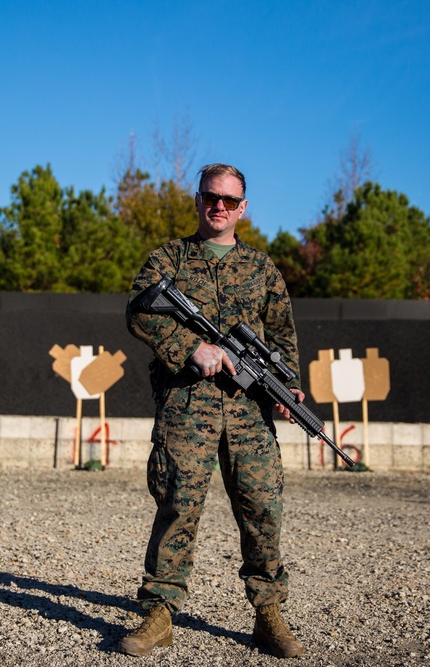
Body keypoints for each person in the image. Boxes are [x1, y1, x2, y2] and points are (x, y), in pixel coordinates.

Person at [120, 163, 306, 659]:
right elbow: (139, 310)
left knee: (263, 509)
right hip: (187, 406)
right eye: (210, 197)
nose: (218, 206)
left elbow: (283, 336)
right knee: (179, 505)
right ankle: (159, 614)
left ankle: (268, 614)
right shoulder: (170, 257)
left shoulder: (264, 269)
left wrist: (287, 389)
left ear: (243, 208)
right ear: (198, 201)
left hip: (249, 413)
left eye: (228, 199)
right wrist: (189, 347)